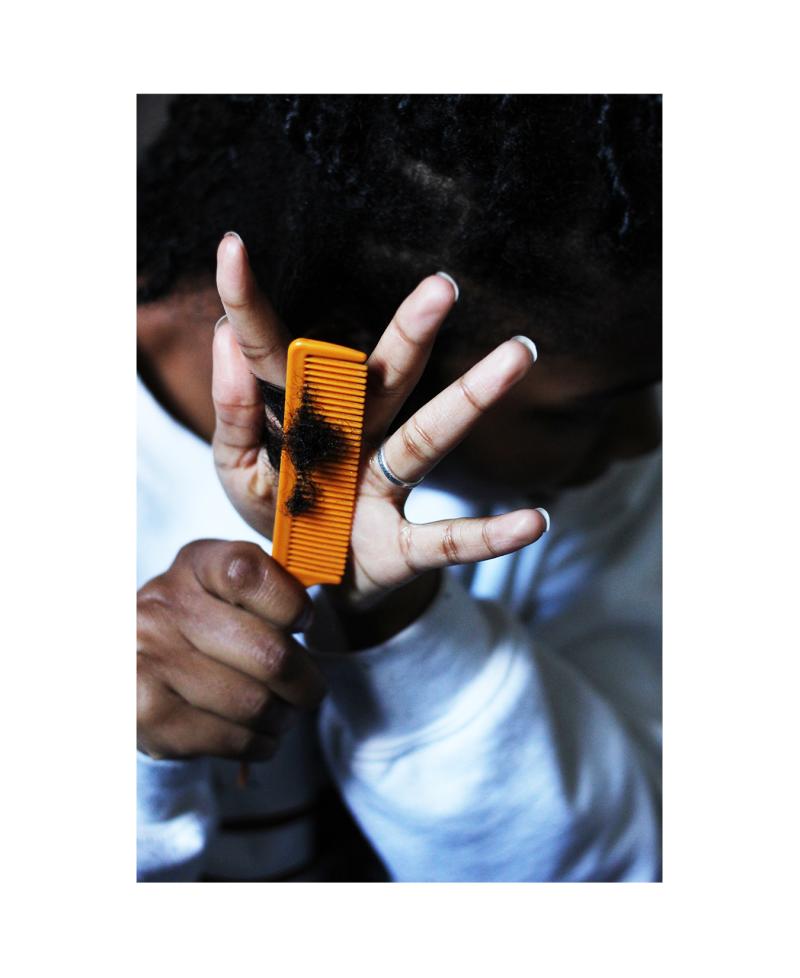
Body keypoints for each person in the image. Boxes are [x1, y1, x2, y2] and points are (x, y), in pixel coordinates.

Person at [137, 94, 662, 882]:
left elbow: (633, 877)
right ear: (367, 362)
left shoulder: (587, 492)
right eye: (591, 412)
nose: (648, 436)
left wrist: (393, 615)